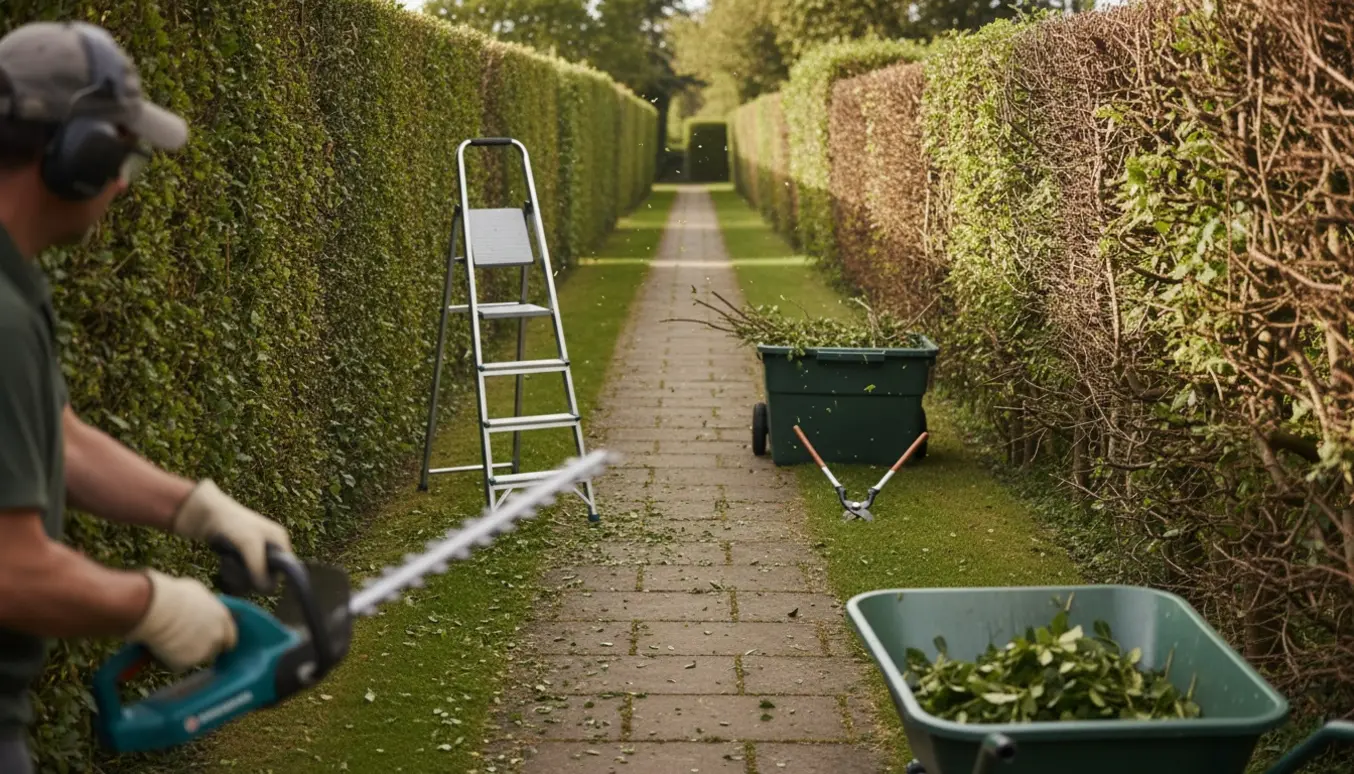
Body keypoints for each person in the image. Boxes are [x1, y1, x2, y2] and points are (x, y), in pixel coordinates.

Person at [0, 20, 293, 771]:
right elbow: (9, 569)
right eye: (120, 153)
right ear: (77, 155)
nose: (125, 180)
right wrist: (153, 605)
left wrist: (197, 508)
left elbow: (51, 436)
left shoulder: (13, 285)